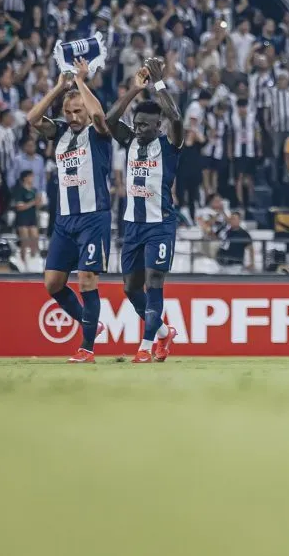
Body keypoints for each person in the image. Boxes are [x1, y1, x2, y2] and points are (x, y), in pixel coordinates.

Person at [26, 62, 112, 363]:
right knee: (53, 284)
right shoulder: (60, 133)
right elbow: (32, 117)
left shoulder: (99, 135)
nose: (74, 117)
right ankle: (93, 324)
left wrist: (81, 81)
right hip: (65, 220)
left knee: (87, 277)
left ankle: (87, 348)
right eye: (70, 112)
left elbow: (100, 115)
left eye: (78, 112)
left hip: (94, 216)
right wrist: (60, 88)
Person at [106, 58, 183, 363]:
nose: (138, 129)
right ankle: (164, 333)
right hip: (132, 225)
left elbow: (175, 117)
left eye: (144, 125)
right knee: (130, 289)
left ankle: (147, 346)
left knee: (154, 282)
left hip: (160, 225)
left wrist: (159, 82)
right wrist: (133, 91)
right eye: (136, 124)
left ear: (157, 126)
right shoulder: (130, 141)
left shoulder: (170, 144)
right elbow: (110, 122)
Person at [11, 169, 43, 262]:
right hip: (22, 218)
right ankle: (23, 260)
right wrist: (33, 202)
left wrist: (39, 202)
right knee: (24, 241)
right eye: (31, 176)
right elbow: (19, 206)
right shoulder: (19, 190)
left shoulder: (34, 190)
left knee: (35, 239)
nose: (33, 178)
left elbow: (37, 205)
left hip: (32, 217)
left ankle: (33, 259)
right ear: (25, 178)